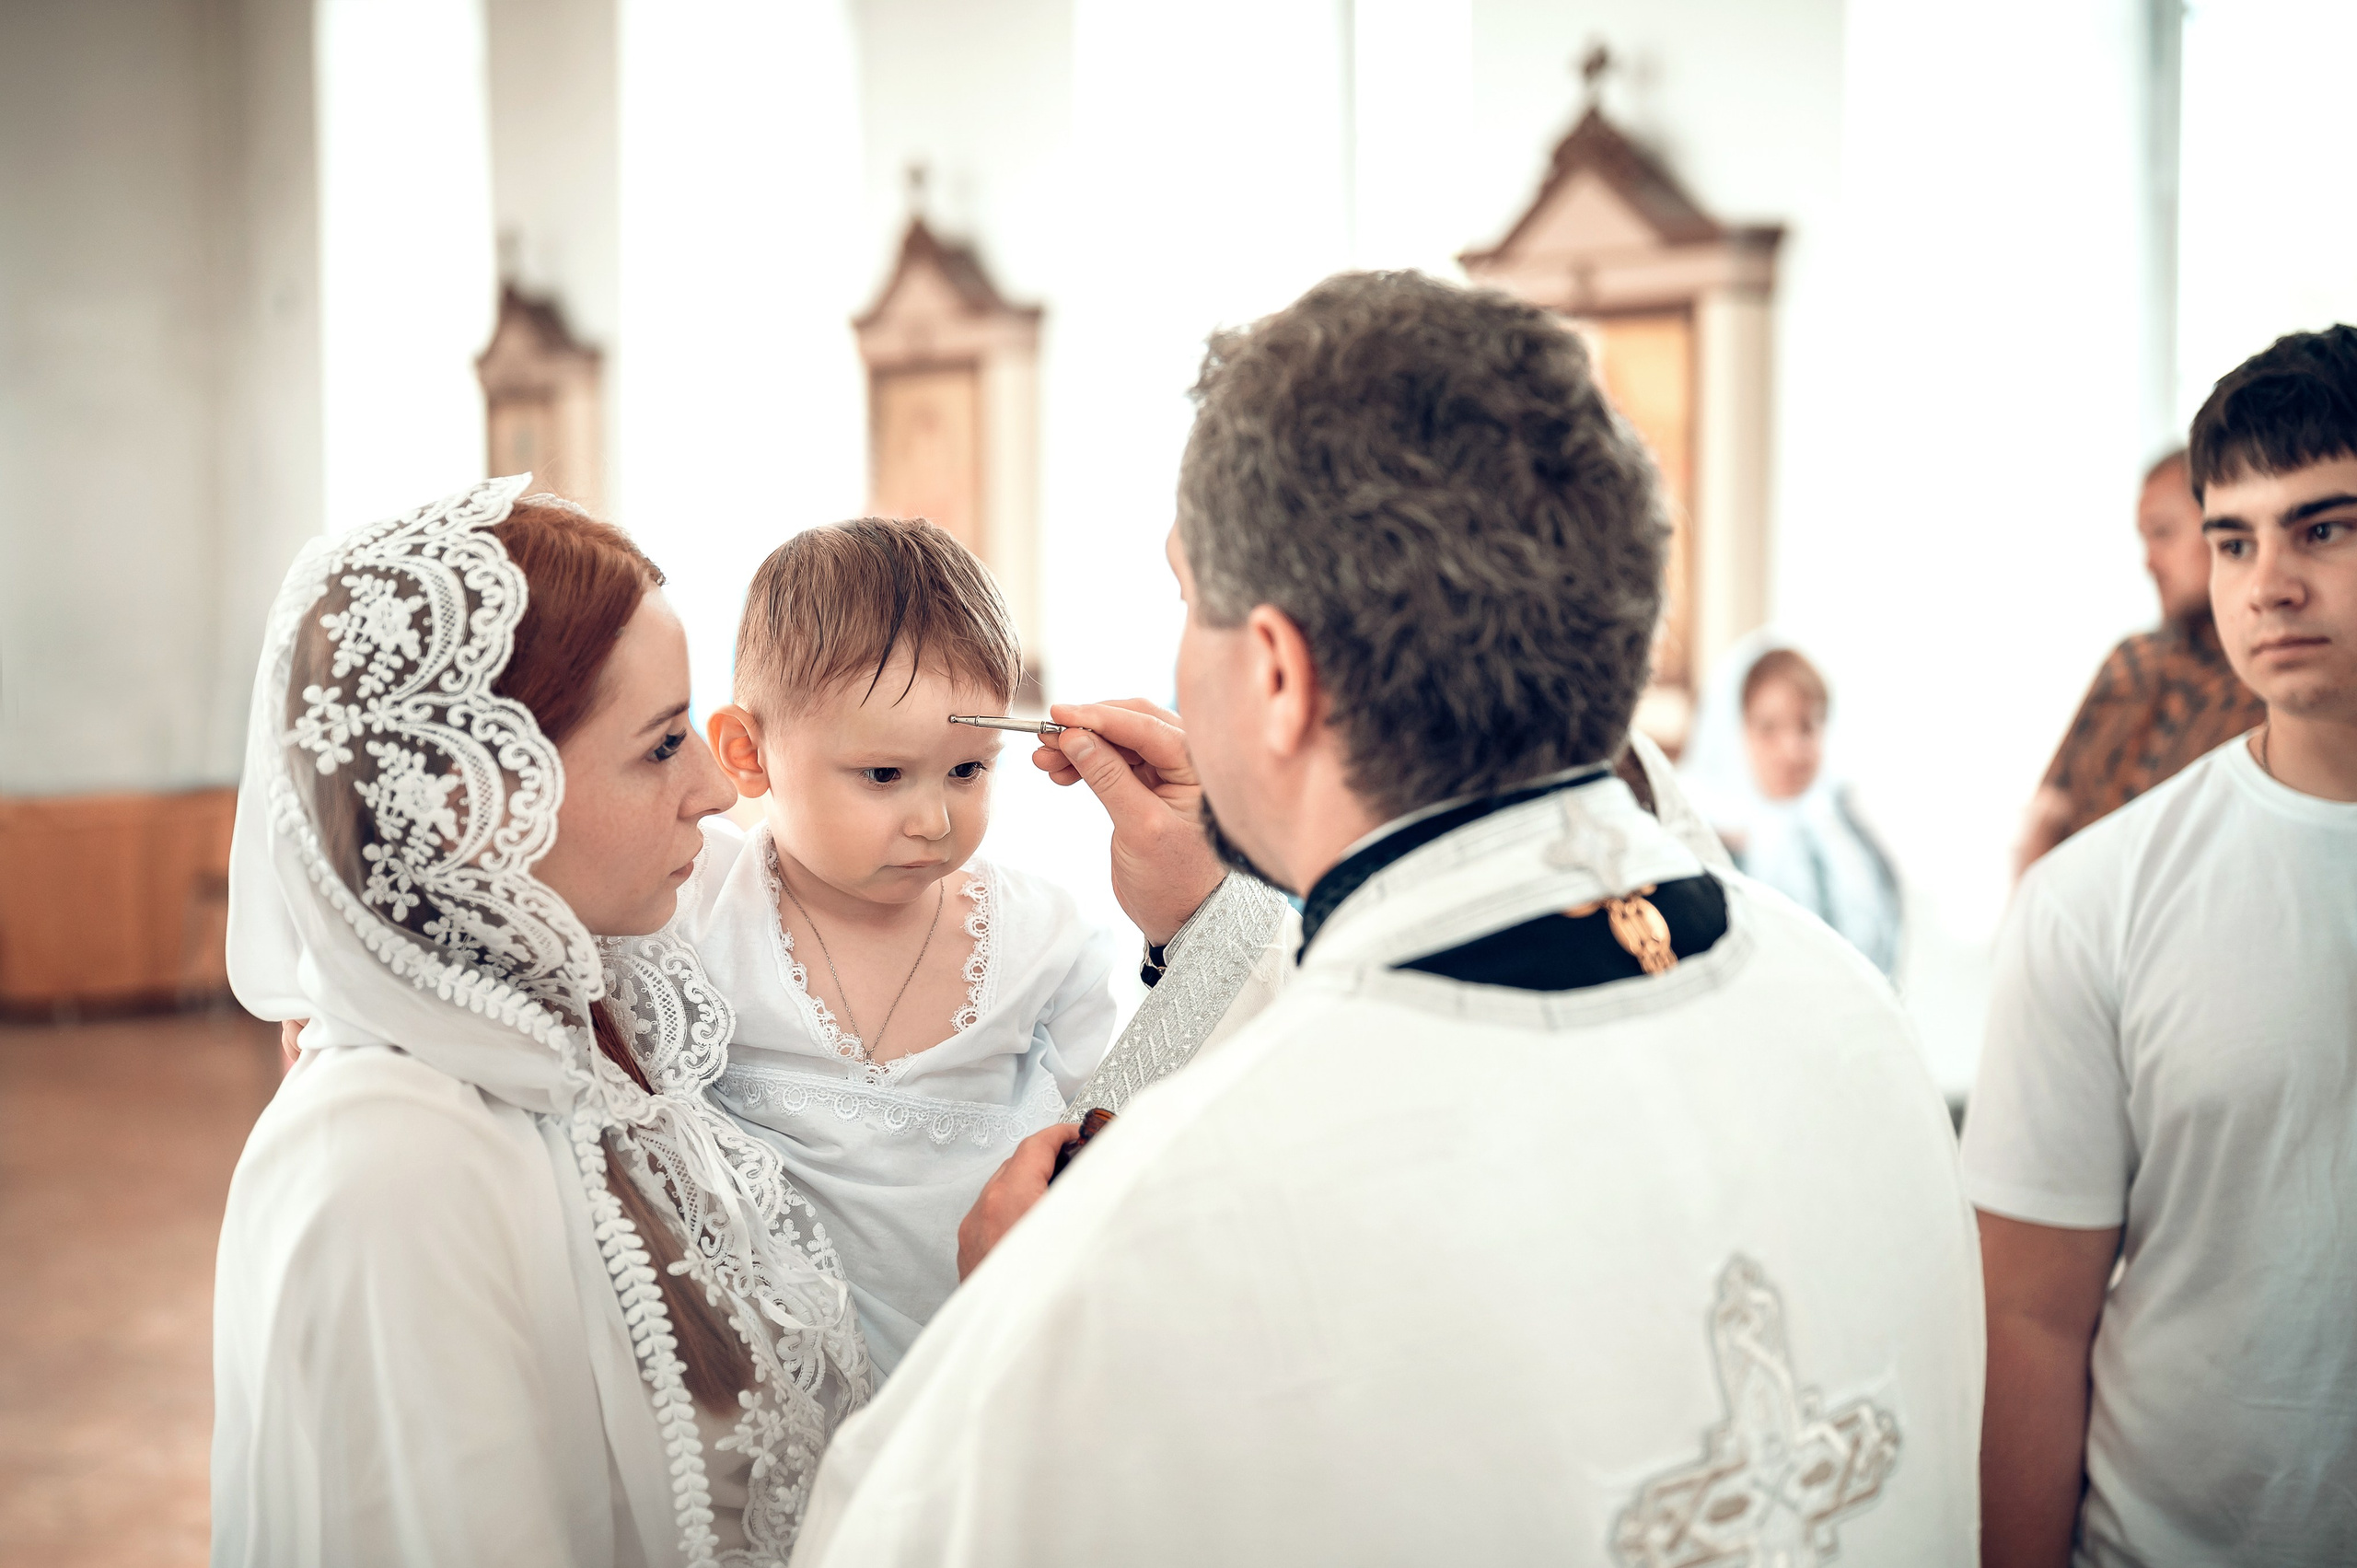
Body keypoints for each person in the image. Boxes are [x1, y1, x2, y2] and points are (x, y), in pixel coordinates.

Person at [789, 272, 1982, 1566]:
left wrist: (1013, 1320)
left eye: (1189, 598)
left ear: (1281, 672)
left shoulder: (1151, 1242)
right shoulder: (1850, 1011)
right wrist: (1212, 904)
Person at [213, 479, 870, 1566]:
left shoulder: (587, 1032)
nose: (713, 787)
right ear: (477, 799)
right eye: (662, 744)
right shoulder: (390, 1168)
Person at [678, 518, 1250, 1376]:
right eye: (883, 775)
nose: (934, 820)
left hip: (991, 1374)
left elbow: (1117, 1143)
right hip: (776, 1404)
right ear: (746, 753)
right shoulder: (695, 908)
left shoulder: (1043, 941)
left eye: (968, 770)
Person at [1966, 326, 2357, 1566]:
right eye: (2232, 536)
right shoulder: (2093, 901)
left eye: (2324, 529)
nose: (2267, 583)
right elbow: (2030, 1318)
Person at [2016, 449, 2266, 873]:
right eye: (2144, 538)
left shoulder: (2268, 679)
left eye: (2164, 533)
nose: (2149, 562)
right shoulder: (2131, 660)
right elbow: (2049, 810)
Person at [1680, 633, 1903, 974]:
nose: (1791, 750)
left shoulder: (1849, 829)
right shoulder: (1702, 846)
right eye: (1768, 728)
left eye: (1807, 726)